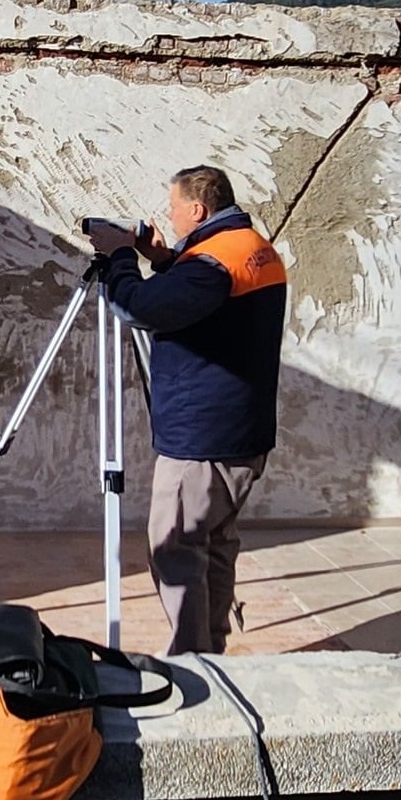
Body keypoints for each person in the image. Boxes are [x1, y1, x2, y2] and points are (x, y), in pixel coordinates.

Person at [86, 167, 287, 655]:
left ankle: (193, 658)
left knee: (174, 544)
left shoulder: (211, 263)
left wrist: (118, 258)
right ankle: (213, 650)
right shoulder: (247, 246)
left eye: (174, 207)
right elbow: (205, 297)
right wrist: (163, 258)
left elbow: (140, 309)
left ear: (197, 210)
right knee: (214, 545)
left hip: (203, 439)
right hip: (241, 431)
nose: (169, 215)